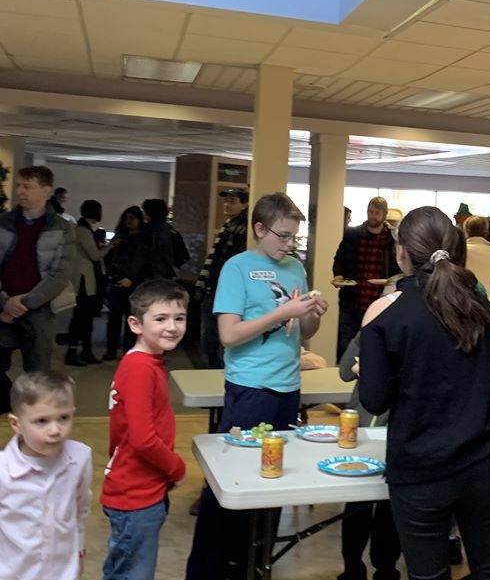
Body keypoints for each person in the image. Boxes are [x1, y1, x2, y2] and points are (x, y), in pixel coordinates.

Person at [359, 206, 490, 580]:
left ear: (401, 253)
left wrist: (377, 373)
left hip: (420, 468)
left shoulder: (384, 314)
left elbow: (375, 401)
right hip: (484, 464)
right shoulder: (482, 307)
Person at [186, 192, 328, 578]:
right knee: (233, 481)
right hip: (251, 388)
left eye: (294, 237)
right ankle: (210, 569)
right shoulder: (237, 268)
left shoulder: (295, 267)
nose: (289, 244)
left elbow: (304, 332)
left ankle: (255, 562)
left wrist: (312, 313)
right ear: (260, 229)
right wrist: (283, 311)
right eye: (283, 236)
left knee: (272, 480)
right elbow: (228, 335)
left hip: (288, 387)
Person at [101, 279, 188, 580]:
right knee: (133, 573)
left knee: (124, 568)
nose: (172, 327)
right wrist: (176, 468)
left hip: (143, 485)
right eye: (160, 319)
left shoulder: (148, 362)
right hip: (136, 494)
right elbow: (142, 439)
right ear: (136, 324)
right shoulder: (140, 368)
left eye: (179, 318)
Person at [0, 370, 92, 580]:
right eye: (42, 421)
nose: (55, 430)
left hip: (63, 574)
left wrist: (79, 549)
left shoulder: (80, 457)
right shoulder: (3, 470)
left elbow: (80, 508)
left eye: (64, 418)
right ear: (16, 424)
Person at [0, 166, 76, 414]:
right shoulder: (4, 223)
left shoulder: (61, 227)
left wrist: (23, 303)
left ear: (46, 190)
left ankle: (34, 419)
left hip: (39, 310)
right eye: (19, 185)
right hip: (3, 307)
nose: (20, 191)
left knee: (38, 373)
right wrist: (5, 302)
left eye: (27, 186)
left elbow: (61, 273)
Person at [336, 327, 402, 580]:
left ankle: (386, 567)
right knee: (356, 505)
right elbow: (345, 371)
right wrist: (362, 335)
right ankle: (352, 566)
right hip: (359, 432)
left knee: (390, 506)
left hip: (394, 434)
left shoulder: (409, 334)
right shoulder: (367, 334)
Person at [332, 196, 400, 362]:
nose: (373, 215)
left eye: (377, 213)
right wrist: (338, 275)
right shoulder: (352, 234)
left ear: (384, 215)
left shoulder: (392, 239)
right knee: (346, 347)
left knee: (375, 348)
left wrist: (393, 281)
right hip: (352, 302)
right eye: (371, 211)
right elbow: (339, 259)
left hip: (380, 303)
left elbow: (397, 269)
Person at [194, 188, 249, 369]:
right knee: (210, 341)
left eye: (232, 201)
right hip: (214, 289)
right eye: (226, 201)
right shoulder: (228, 227)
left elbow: (231, 263)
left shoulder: (241, 229)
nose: (227, 205)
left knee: (216, 340)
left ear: (244, 205)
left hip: (223, 291)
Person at [66, 199, 111, 366]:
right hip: (85, 280)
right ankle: (75, 351)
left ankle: (84, 350)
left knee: (84, 316)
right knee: (82, 316)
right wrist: (111, 246)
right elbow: (95, 256)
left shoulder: (81, 228)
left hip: (84, 279)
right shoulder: (83, 231)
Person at [103, 206, 149, 359]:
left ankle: (127, 349)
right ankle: (111, 349)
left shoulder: (142, 239)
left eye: (132, 218)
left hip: (133, 283)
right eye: (126, 218)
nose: (128, 221)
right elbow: (110, 259)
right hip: (117, 280)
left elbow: (140, 262)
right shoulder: (121, 238)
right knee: (114, 318)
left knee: (131, 318)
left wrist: (131, 278)